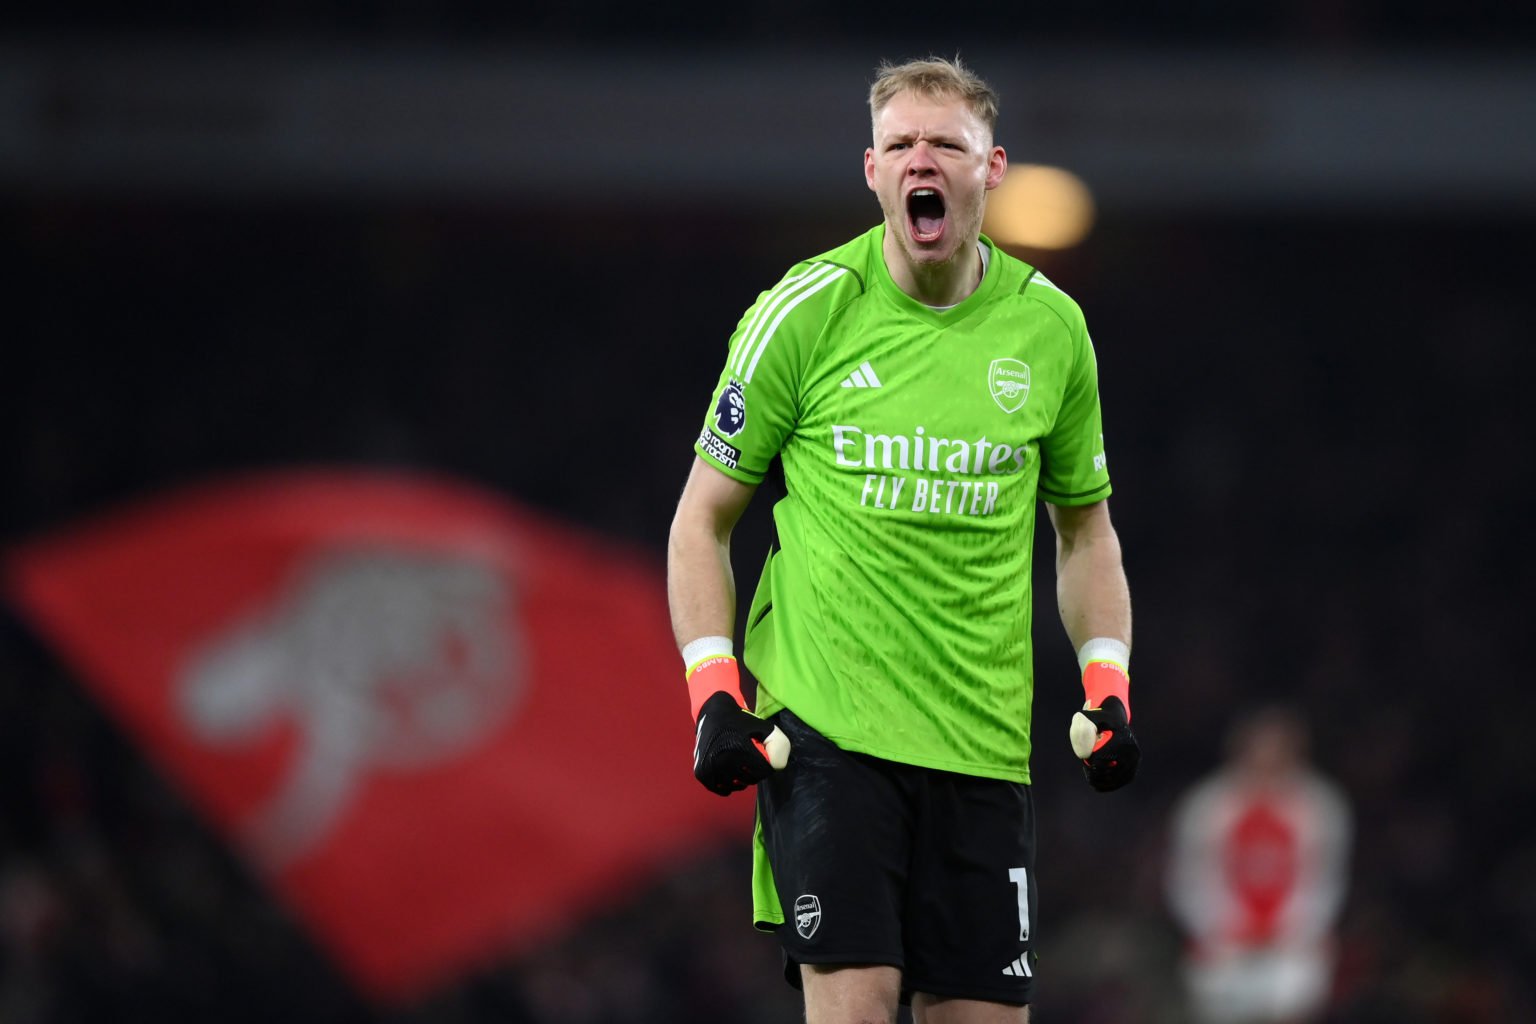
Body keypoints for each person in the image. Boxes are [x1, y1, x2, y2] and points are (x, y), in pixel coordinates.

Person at [667, 56, 1138, 1024]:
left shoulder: (1051, 330)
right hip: (830, 735)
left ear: (991, 168)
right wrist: (713, 690)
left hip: (983, 743)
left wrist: (1108, 682)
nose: (922, 159)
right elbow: (700, 519)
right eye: (900, 145)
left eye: (946, 145)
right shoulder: (803, 313)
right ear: (873, 172)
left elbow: (1084, 528)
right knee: (858, 1003)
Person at [1164, 708, 1352, 1024]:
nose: (1266, 762)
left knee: (1294, 989)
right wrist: (1219, 927)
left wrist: (1295, 929)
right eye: (1258, 751)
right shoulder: (1205, 807)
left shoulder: (1321, 807)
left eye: (1277, 752)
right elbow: (1189, 880)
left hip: (1292, 947)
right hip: (1223, 947)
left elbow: (1323, 880)